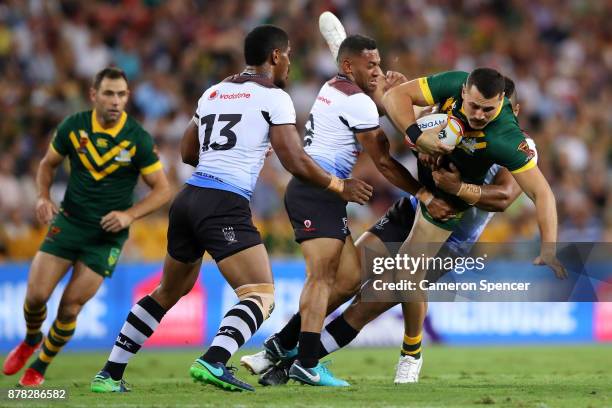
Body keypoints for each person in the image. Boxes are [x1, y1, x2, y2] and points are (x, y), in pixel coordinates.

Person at [90, 24, 373, 394]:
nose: (289, 63)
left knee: (167, 291)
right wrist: (340, 185)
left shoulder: (214, 91)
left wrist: (244, 146)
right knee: (260, 294)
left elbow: (189, 153)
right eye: (287, 55)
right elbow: (295, 160)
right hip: (223, 203)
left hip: (188, 199)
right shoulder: (274, 97)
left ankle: (109, 374)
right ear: (275, 56)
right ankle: (214, 359)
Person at [242, 77, 534, 387]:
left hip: (450, 237)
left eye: (496, 109)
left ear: (512, 108)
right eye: (481, 107)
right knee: (346, 280)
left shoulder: (518, 146)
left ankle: (402, 355)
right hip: (412, 210)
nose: (486, 114)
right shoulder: (457, 118)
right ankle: (279, 346)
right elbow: (417, 123)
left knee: (365, 306)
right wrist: (423, 143)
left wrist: (458, 187)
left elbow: (504, 196)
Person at [262, 32, 458, 387]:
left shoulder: (334, 88)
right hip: (317, 191)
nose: (378, 70)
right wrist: (423, 194)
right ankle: (306, 362)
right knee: (322, 278)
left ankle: (280, 345)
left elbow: (368, 110)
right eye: (371, 65)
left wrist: (388, 96)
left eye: (380, 64)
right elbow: (383, 162)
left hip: (319, 191)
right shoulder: (358, 102)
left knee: (350, 278)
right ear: (349, 65)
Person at [1, 67, 171, 387]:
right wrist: (41, 197)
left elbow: (163, 190)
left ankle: (40, 366)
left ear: (128, 97)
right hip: (69, 222)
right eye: (109, 93)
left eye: (121, 94)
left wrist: (129, 215)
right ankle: (30, 338)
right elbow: (47, 165)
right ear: (94, 95)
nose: (116, 101)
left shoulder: (137, 139)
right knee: (36, 296)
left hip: (105, 237)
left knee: (70, 307)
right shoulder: (74, 126)